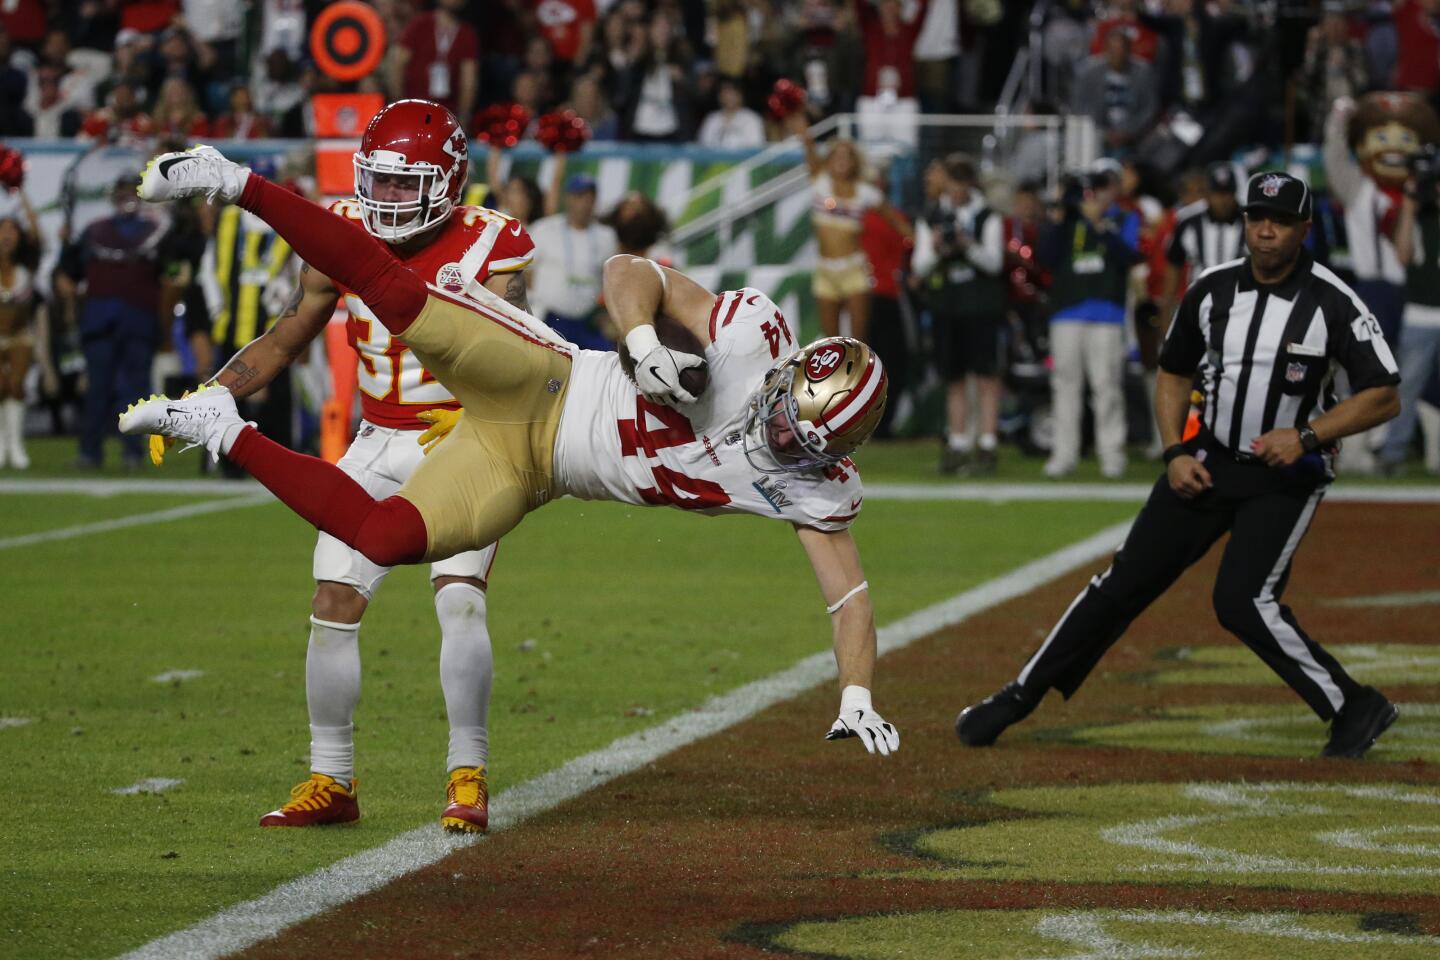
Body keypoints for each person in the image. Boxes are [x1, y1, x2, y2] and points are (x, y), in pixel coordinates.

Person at [124, 144, 901, 760]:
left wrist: (856, 695)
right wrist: (638, 337)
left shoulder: (816, 487)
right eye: (783, 416)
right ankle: (233, 181)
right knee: (401, 300)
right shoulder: (749, 334)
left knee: (385, 537)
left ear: (833, 449)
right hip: (550, 381)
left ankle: (221, 429)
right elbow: (629, 270)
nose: (778, 437)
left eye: (801, 440)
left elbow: (851, 601)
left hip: (531, 469)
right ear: (790, 371)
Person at [157, 102, 541, 833]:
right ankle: (331, 780)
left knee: (458, 597)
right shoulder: (342, 227)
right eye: (379, 183)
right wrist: (208, 398)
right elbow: (290, 333)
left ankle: (468, 774)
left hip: (463, 443)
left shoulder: (494, 245)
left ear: (449, 183)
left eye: (405, 186)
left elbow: (526, 356)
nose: (386, 200)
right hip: (373, 440)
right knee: (333, 599)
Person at [956, 171, 1404, 761]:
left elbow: (1384, 393)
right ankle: (1018, 696)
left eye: (1280, 221)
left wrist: (1306, 436)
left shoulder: (1333, 300)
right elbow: (1173, 370)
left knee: (1243, 602)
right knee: (1121, 583)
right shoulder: (1212, 289)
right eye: (1256, 218)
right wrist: (1173, 450)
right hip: (1209, 460)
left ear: (1304, 228)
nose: (1265, 231)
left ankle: (1351, 706)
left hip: (1285, 476)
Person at [58, 173, 171, 470]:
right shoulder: (94, 231)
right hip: (101, 321)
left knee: (135, 391)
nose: (127, 197)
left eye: (132, 190)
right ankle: (90, 451)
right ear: (113, 196)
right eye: (122, 190)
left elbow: (171, 273)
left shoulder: (155, 231)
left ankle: (132, 453)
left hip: (137, 320)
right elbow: (67, 272)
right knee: (98, 389)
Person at [1037, 171, 1143, 479]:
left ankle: (1111, 454)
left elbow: (1129, 256)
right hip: (1067, 311)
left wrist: (1098, 225)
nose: (1091, 198)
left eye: (1096, 190)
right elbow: (1046, 257)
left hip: (1107, 312)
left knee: (1106, 385)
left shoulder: (1124, 219)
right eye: (1086, 192)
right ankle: (1063, 453)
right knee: (1065, 386)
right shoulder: (1066, 221)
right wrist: (1058, 216)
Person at [912, 154, 1006, 475]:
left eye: (959, 184)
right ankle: (958, 441)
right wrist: (939, 249)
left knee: (985, 376)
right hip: (947, 306)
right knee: (953, 378)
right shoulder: (932, 217)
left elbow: (995, 263)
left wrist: (968, 245)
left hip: (980, 306)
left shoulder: (988, 217)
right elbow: (919, 266)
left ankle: (988, 443)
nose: (954, 191)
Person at [788, 112, 905, 343]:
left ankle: (862, 380)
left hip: (854, 271)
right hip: (825, 271)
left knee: (859, 342)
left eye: (847, 156)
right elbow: (807, 143)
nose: (841, 161)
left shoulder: (866, 192)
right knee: (830, 344)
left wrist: (919, 243)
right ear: (828, 160)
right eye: (836, 156)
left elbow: (897, 221)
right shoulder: (820, 183)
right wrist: (797, 112)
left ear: (854, 162)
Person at [1379, 153, 1440, 474]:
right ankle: (1394, 452)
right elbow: (1402, 254)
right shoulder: (1418, 218)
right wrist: (1412, 203)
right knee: (1407, 387)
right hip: (1420, 314)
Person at [527, 172, 618, 349]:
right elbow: (526, 271)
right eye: (579, 196)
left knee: (608, 362)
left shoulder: (606, 236)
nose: (585, 202)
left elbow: (609, 279)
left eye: (590, 197)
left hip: (587, 321)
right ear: (567, 198)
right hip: (550, 318)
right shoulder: (545, 229)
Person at [0, 189, 40, 469]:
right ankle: (1, 443)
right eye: (3, 229)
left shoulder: (27, 267)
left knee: (15, 386)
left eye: (13, 230)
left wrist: (20, 190)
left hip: (19, 337)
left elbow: (36, 235)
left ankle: (16, 445)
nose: (7, 235)